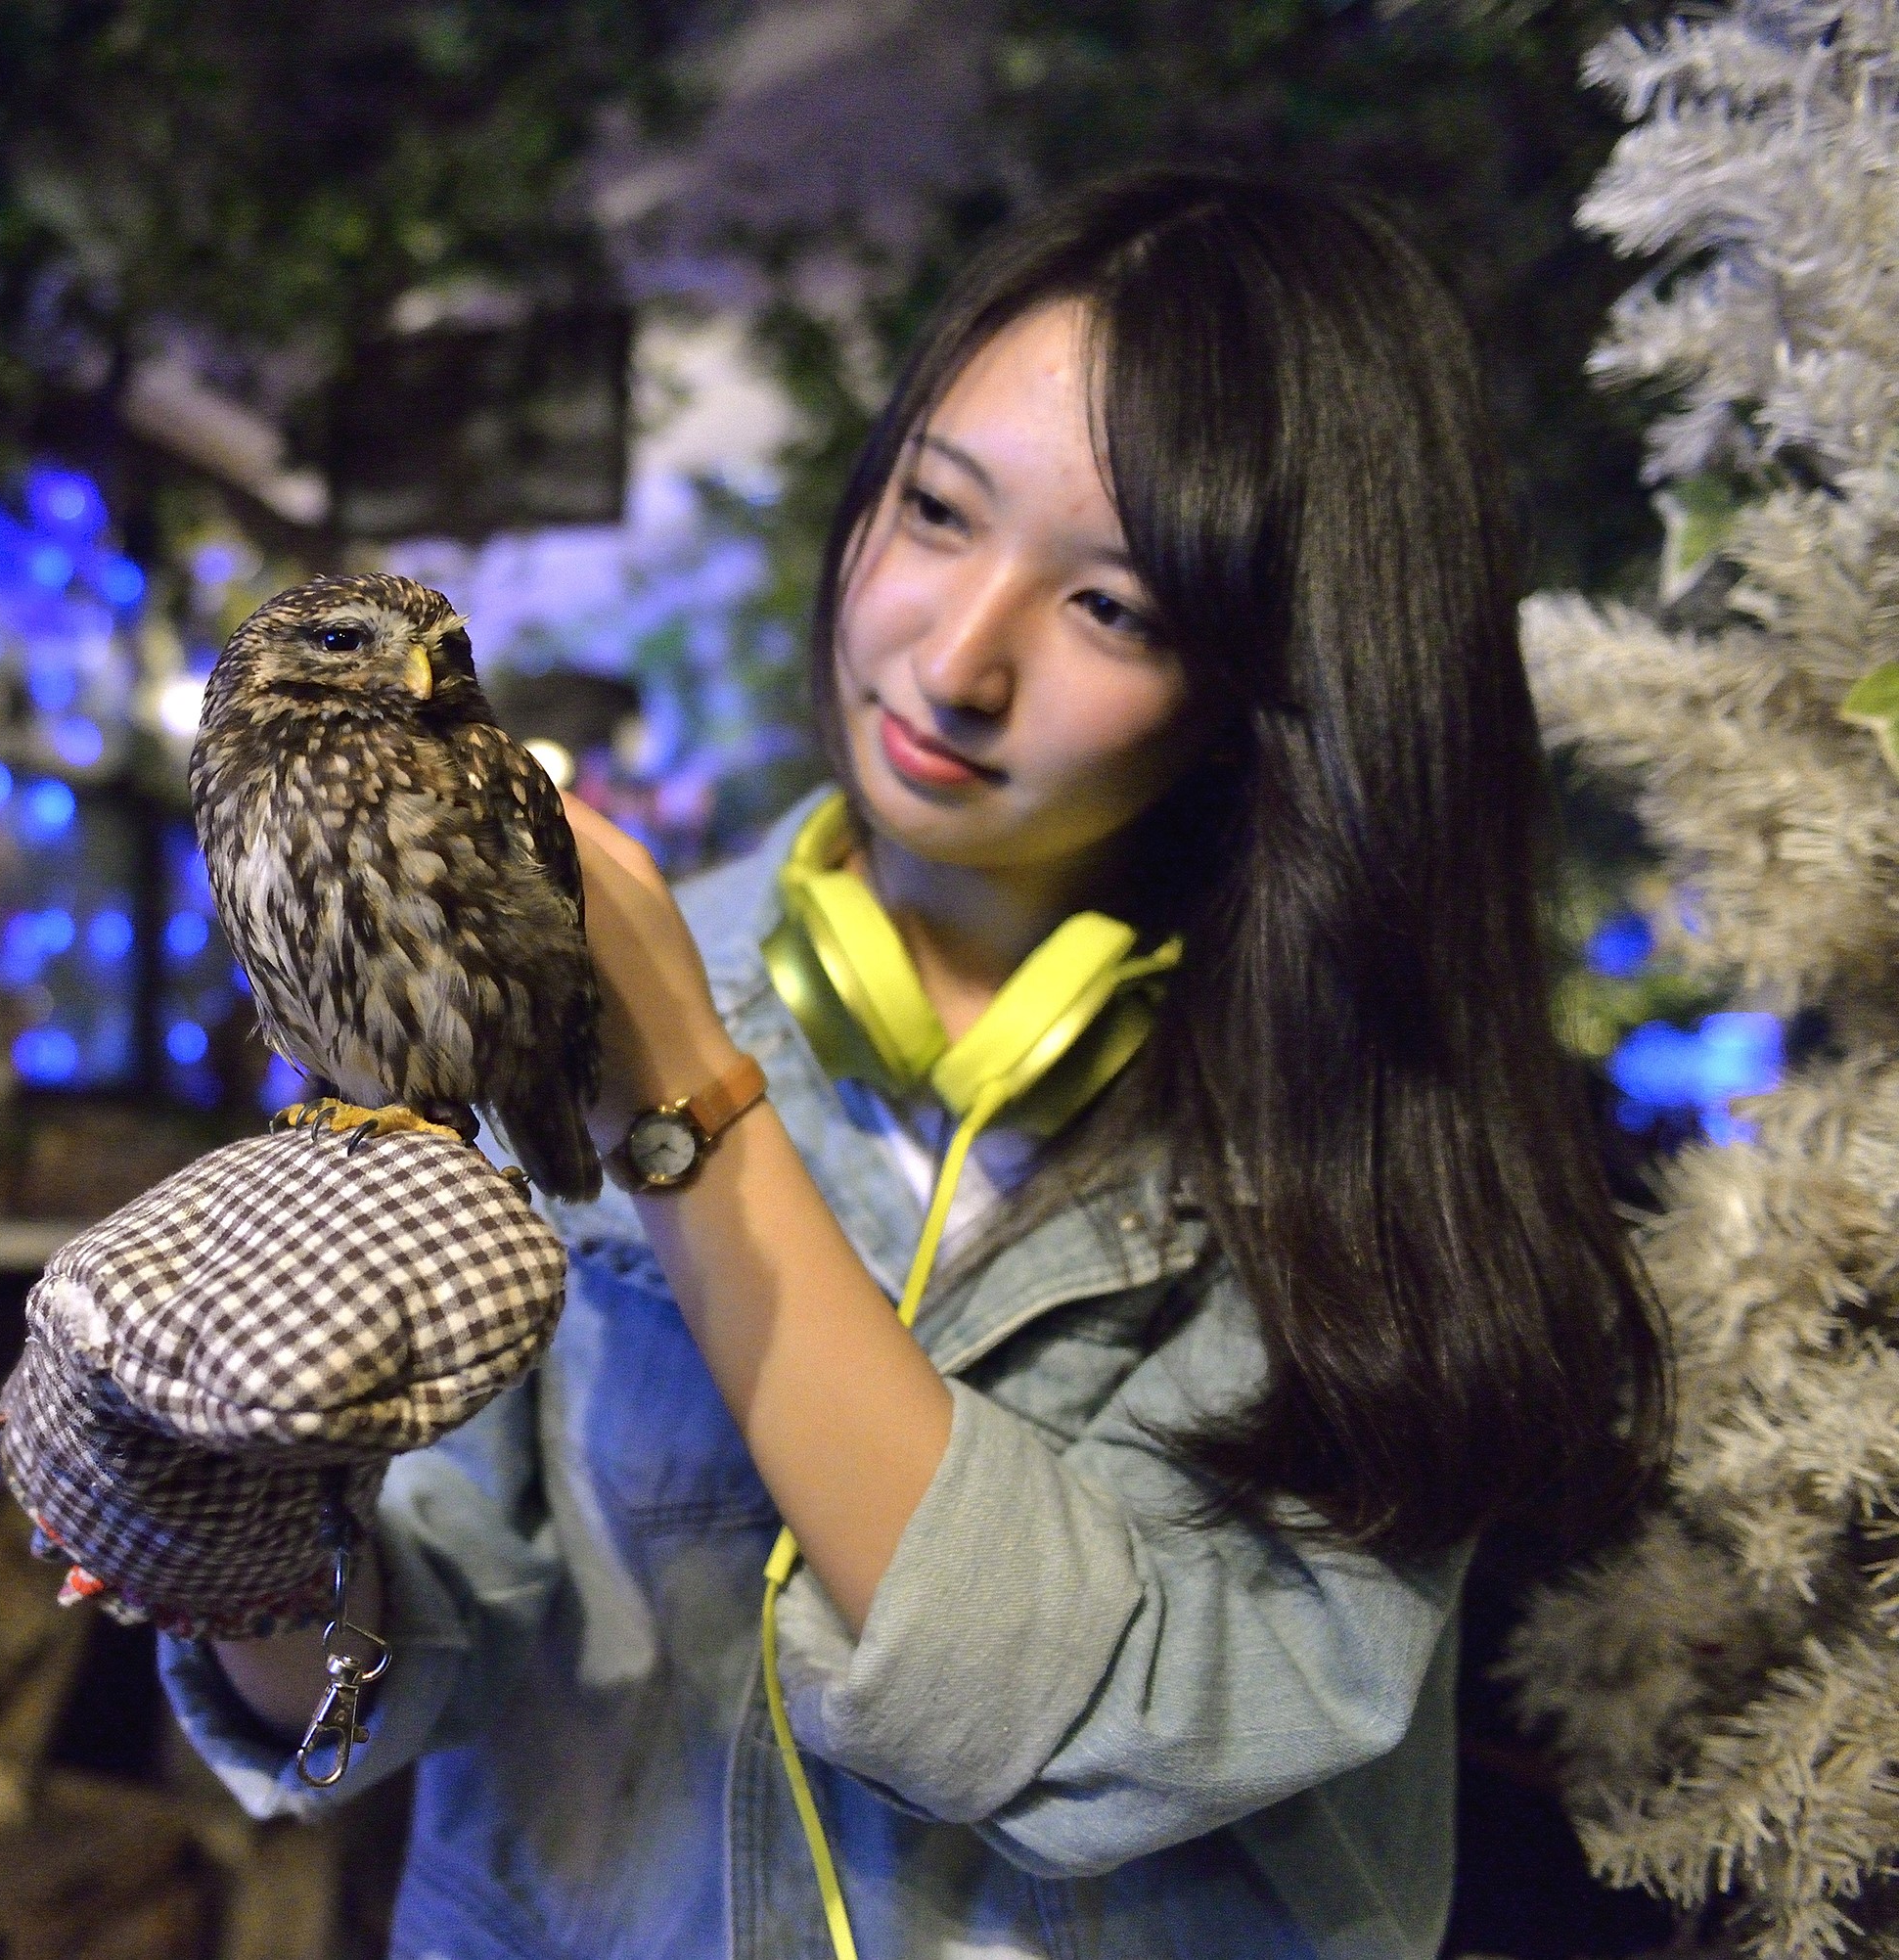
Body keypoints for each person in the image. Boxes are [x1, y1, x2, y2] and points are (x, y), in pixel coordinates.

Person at [158, 166, 1669, 1958]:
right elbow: (407, 1654)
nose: (957, 660)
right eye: (939, 511)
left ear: (1280, 680)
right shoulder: (534, 963)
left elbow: (1135, 1715)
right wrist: (239, 1533)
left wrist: (689, 1109)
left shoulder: (1374, 1131)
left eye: (1116, 607)